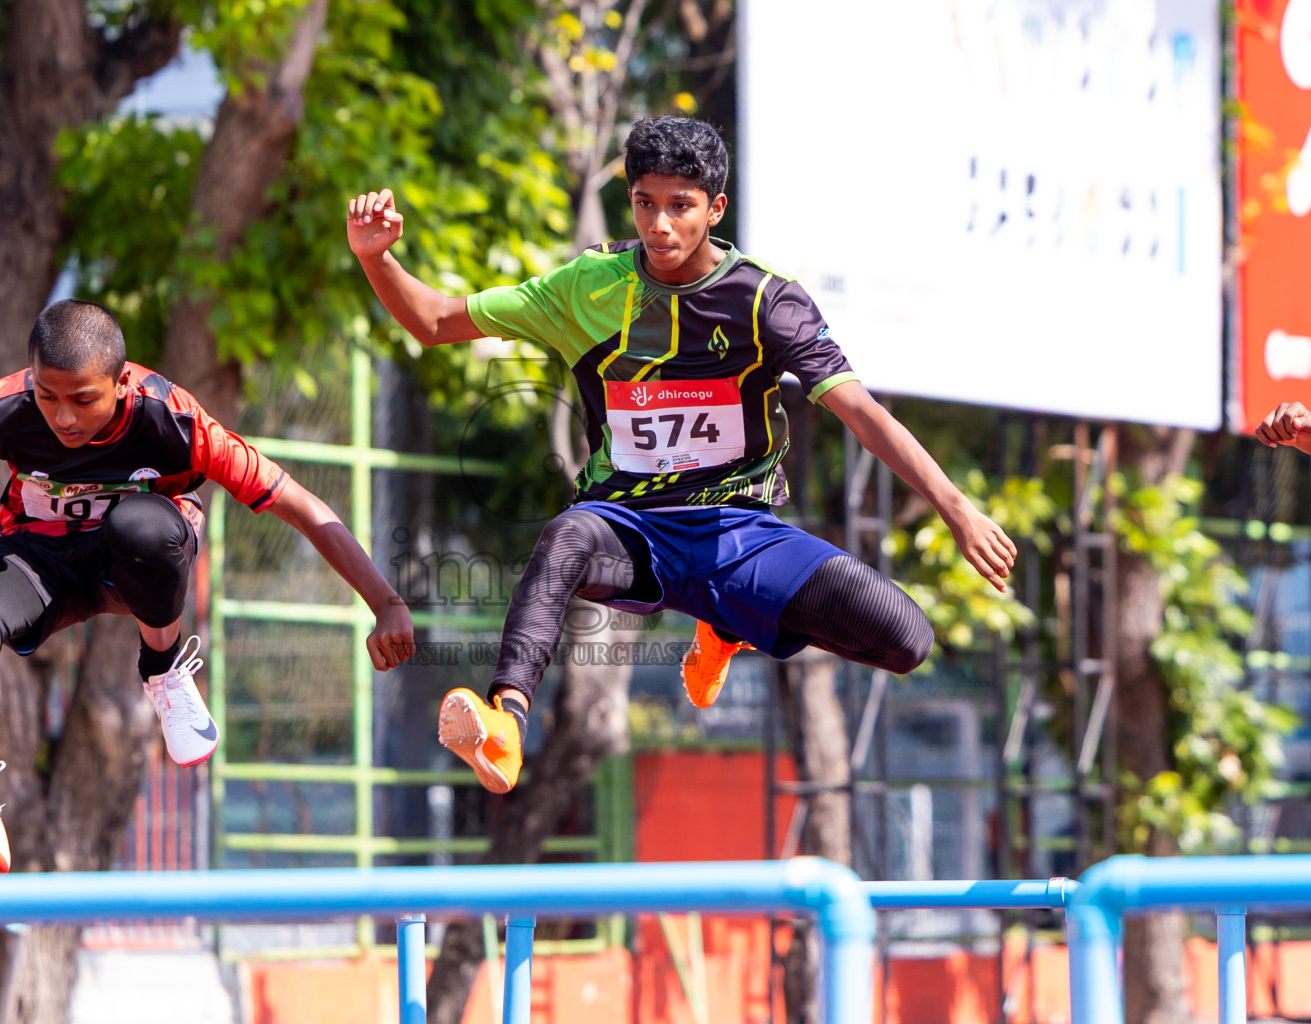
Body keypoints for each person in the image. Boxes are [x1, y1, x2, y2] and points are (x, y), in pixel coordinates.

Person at [346, 116, 1017, 794]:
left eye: (680, 206)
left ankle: (726, 624)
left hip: (738, 530)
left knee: (906, 640)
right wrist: (378, 258)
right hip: (630, 528)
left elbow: (862, 413)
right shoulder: (588, 286)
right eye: (645, 202)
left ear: (715, 208)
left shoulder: (763, 301)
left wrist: (956, 508)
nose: (659, 225)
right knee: (567, 534)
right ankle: (507, 721)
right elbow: (432, 321)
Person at [0, 299, 414, 871]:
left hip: (133, 566)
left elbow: (297, 503)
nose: (63, 418)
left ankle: (163, 668)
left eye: (84, 399)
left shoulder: (173, 419)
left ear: (121, 381)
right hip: (43, 563)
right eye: (49, 396)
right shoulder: (5, 409)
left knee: (143, 526)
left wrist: (384, 601)